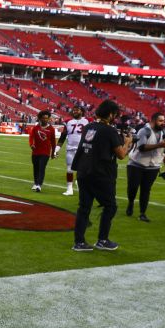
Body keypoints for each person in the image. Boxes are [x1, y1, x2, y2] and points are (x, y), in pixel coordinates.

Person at [70, 99, 128, 251]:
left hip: (84, 171)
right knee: (110, 206)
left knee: (84, 207)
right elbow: (121, 154)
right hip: (101, 173)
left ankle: (79, 242)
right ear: (110, 114)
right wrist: (127, 142)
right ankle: (102, 239)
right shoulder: (109, 130)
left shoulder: (89, 126)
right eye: (114, 114)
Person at [124, 112, 165, 222]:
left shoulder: (164, 133)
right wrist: (160, 144)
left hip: (153, 166)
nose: (163, 123)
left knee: (146, 190)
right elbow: (142, 147)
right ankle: (131, 202)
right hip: (136, 164)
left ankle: (142, 213)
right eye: (161, 120)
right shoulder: (144, 131)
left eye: (164, 121)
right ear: (153, 120)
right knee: (133, 188)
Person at [58, 106, 88, 195]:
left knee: (82, 170)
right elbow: (63, 135)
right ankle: (69, 189)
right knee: (69, 170)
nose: (74, 111)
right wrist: (57, 148)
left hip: (82, 149)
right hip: (70, 148)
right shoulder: (68, 121)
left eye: (77, 109)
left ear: (82, 111)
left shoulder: (87, 120)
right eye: (73, 110)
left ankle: (80, 184)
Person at [28, 110, 56, 192]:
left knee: (42, 168)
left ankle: (39, 185)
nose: (45, 120)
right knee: (36, 168)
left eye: (47, 118)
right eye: (43, 118)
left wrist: (53, 152)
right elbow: (31, 137)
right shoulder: (36, 127)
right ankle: (35, 183)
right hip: (35, 151)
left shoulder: (51, 129)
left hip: (45, 152)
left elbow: (53, 142)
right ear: (40, 118)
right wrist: (31, 145)